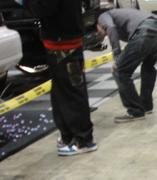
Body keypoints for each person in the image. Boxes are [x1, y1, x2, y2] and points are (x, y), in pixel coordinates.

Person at [14, 0, 97, 156]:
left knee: (71, 92)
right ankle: (69, 136)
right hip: (63, 39)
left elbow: (45, 7)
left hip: (63, 42)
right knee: (62, 92)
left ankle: (84, 140)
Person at [97, 9, 157, 123]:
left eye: (99, 30)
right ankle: (146, 106)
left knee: (120, 71)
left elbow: (110, 27)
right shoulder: (120, 15)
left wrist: (117, 57)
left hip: (146, 30)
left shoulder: (103, 16)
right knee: (148, 67)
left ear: (98, 24)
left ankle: (135, 111)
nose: (101, 33)